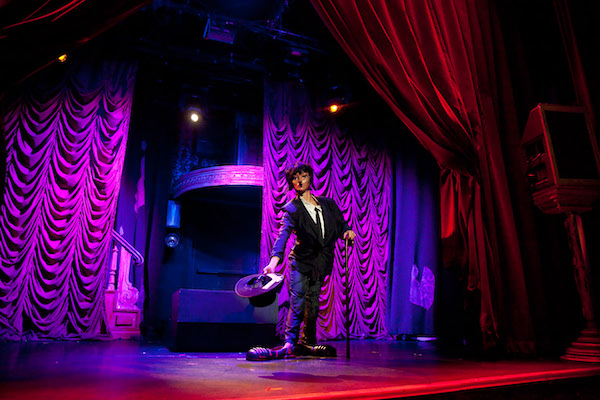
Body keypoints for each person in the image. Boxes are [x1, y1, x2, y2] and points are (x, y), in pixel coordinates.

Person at [263, 161, 355, 358]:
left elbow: (341, 225)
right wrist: (273, 262)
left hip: (320, 263)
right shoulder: (293, 209)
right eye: (295, 178)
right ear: (292, 183)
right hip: (300, 262)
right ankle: (290, 342)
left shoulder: (328, 204)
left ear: (310, 178)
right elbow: (283, 236)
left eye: (303, 176)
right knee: (298, 301)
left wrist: (347, 231)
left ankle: (308, 341)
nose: (299, 181)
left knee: (313, 303)